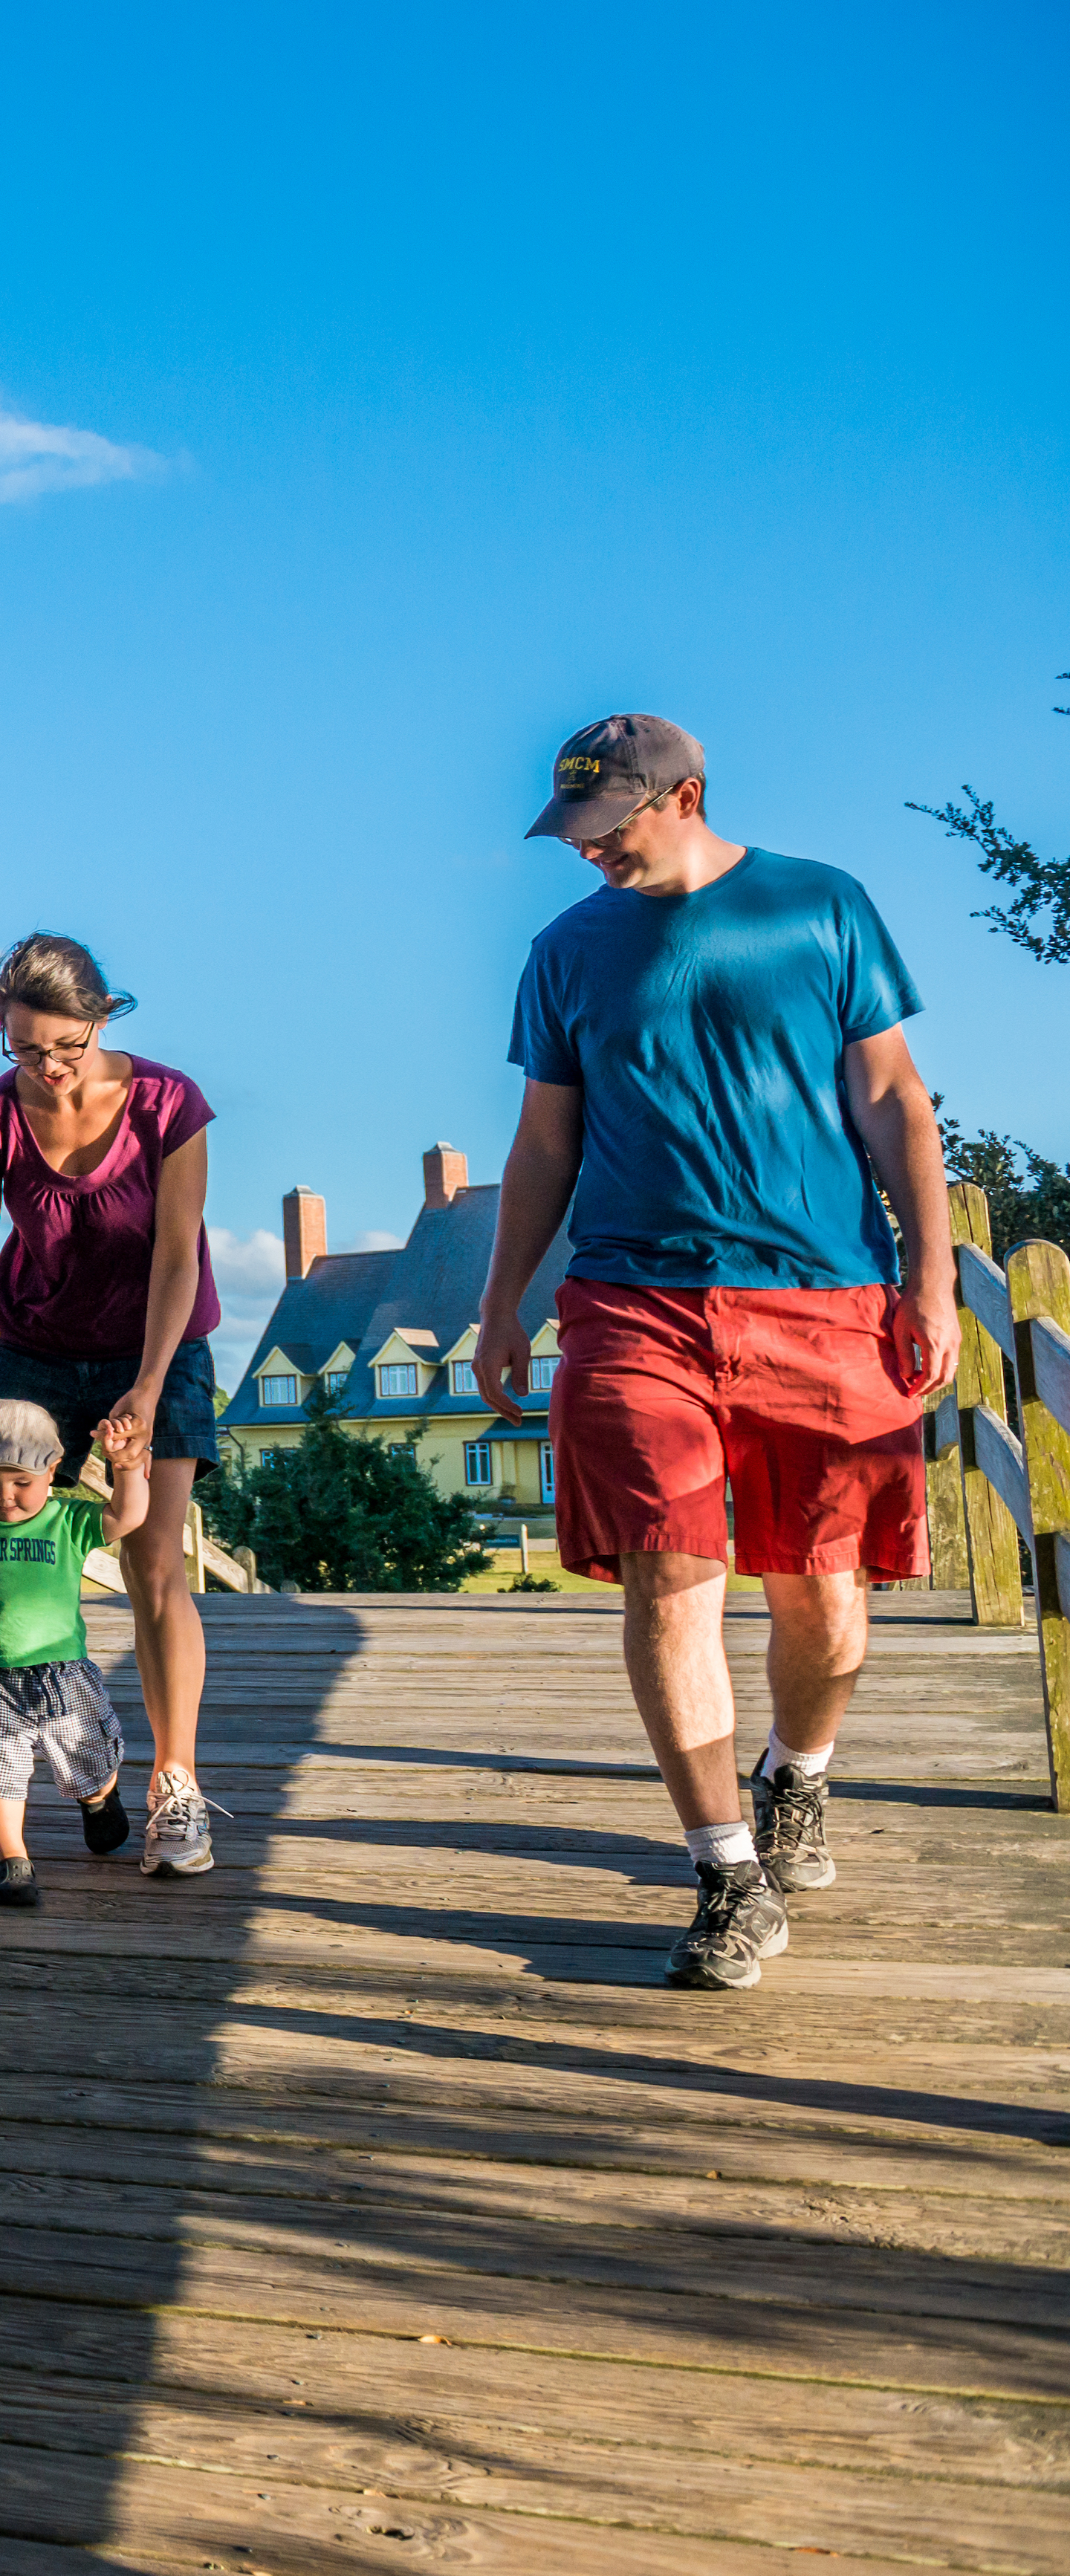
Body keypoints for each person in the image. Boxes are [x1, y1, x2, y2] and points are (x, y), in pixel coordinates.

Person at [475, 714, 953, 1991]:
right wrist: (504, 1297)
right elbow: (542, 1144)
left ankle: (796, 1773)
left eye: (608, 827)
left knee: (824, 1598)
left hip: (826, 1296)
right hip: (634, 1303)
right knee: (669, 1578)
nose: (587, 855)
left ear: (686, 794)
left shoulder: (820, 905)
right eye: (572, 833)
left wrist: (933, 1272)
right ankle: (726, 1869)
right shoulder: (565, 951)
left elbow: (895, 1099)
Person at [0, 933, 224, 1878]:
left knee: (153, 1562)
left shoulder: (167, 1104)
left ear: (101, 1018)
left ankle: (176, 1787)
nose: (48, 1067)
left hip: (152, 1345)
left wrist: (149, 1389)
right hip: (32, 1352)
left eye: (65, 1046)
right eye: (26, 1049)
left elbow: (176, 1253)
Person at [0, 1395, 148, 1905]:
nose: (5, 1497)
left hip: (64, 1672)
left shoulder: (64, 1520)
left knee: (88, 1757)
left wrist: (125, 1467)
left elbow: (126, 1517)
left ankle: (99, 1798)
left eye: (22, 1483)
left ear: (52, 1470)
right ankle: (10, 1860)